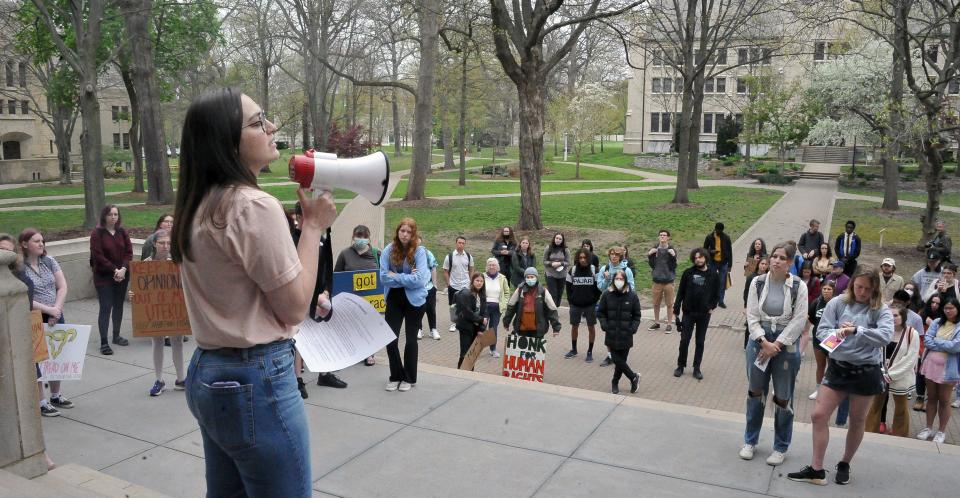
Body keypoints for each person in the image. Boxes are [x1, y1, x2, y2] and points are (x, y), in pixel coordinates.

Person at [174, 89, 337, 496]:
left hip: (209, 372)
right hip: (257, 378)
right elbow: (295, 308)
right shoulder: (253, 206)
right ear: (227, 142)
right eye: (257, 121)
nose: (272, 127)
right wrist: (314, 227)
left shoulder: (198, 204)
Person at [788, 266, 893, 486]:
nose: (862, 292)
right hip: (838, 367)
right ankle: (817, 469)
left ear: (874, 289)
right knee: (818, 415)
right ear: (852, 284)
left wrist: (857, 330)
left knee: (857, 420)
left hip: (866, 371)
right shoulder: (838, 303)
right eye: (858, 287)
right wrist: (838, 333)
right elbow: (822, 330)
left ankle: (845, 462)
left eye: (867, 288)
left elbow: (885, 337)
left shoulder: (880, 309)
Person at [740, 242, 808, 466]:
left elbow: (799, 320)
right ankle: (750, 440)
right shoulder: (757, 283)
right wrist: (762, 341)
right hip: (759, 340)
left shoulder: (799, 286)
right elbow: (751, 315)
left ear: (790, 263)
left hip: (784, 344)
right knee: (755, 391)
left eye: (782, 258)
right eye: (774, 256)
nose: (776, 261)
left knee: (782, 396)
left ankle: (780, 446)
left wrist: (776, 344)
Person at [0, 234, 58, 470]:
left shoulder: (20, 275)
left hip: (23, 338)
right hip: (8, 344)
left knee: (30, 388)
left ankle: (39, 454)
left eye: (7, 250)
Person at [16, 229, 74, 416]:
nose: (41, 244)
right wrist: (48, 310)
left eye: (42, 241)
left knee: (58, 355)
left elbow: (62, 286)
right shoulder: (19, 268)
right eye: (36, 241)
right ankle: (41, 401)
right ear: (24, 244)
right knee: (38, 359)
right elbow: (24, 297)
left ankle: (56, 395)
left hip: (56, 313)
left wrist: (56, 309)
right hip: (35, 316)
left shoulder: (49, 261)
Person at [291, 201, 346, 392]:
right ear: (298, 217)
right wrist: (313, 298)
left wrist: (326, 291)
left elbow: (325, 268)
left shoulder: (320, 239)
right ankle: (298, 379)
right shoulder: (293, 240)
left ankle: (325, 373)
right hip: (303, 296)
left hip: (320, 294)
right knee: (300, 339)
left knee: (324, 334)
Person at [133, 229, 186, 397]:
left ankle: (180, 379)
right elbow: (139, 288)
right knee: (157, 342)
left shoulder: (178, 264)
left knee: (177, 342)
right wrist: (133, 294)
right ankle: (159, 380)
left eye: (169, 243)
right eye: (162, 243)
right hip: (155, 310)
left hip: (173, 309)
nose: (165, 246)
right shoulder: (146, 264)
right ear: (154, 244)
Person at [381, 218, 431, 392]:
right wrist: (407, 278)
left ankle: (408, 378)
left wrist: (396, 276)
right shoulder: (388, 250)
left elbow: (420, 280)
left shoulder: (419, 251)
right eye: (402, 230)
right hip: (394, 299)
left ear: (413, 234)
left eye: (409, 232)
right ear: (397, 231)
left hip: (415, 301)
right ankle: (396, 375)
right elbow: (383, 277)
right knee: (390, 338)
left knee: (411, 340)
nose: (405, 234)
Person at [866, 305, 920, 437]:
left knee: (901, 408)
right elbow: (875, 351)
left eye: (896, 315)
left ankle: (900, 435)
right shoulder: (884, 331)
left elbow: (911, 358)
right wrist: (880, 370)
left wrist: (891, 374)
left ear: (903, 317)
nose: (892, 318)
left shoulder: (912, 333)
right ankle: (869, 433)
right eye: (890, 315)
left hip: (900, 377)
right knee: (875, 405)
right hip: (881, 375)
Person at [89, 204, 133, 355]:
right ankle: (104, 342)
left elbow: (129, 252)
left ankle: (116, 335)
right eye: (110, 214)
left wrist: (123, 269)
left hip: (122, 275)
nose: (113, 217)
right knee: (106, 307)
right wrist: (114, 270)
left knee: (118, 305)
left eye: (116, 214)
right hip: (104, 276)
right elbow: (98, 256)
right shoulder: (97, 233)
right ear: (104, 216)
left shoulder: (122, 232)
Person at [335, 225, 382, 366]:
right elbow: (337, 276)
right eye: (358, 236)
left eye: (364, 236)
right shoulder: (345, 254)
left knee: (369, 327)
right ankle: (353, 354)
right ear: (353, 237)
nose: (361, 239)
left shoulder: (376, 254)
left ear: (369, 238)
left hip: (371, 300)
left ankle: (369, 355)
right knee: (352, 328)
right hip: (351, 300)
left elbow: (383, 275)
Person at [916, 297, 960, 443]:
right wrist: (945, 344)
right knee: (932, 397)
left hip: (949, 368)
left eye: (951, 308)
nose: (948, 311)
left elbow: (955, 347)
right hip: (931, 365)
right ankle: (928, 427)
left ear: (957, 309)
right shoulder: (936, 322)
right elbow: (927, 340)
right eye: (946, 308)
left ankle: (941, 431)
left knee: (945, 400)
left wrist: (937, 341)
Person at [673, 247, 720, 379]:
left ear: (705, 258)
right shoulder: (688, 273)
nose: (698, 260)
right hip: (688, 312)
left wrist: (712, 306)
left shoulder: (713, 274)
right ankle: (681, 365)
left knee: (700, 341)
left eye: (700, 257)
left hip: (704, 314)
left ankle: (697, 368)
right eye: (696, 258)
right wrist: (676, 308)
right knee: (684, 340)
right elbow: (681, 291)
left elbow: (717, 292)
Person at [597, 269, 642, 394]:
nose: (619, 281)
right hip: (611, 334)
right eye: (616, 278)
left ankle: (616, 381)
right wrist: (604, 325)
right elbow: (600, 313)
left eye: (621, 279)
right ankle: (633, 377)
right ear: (613, 280)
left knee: (621, 362)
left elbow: (637, 316)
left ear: (625, 281)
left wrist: (633, 328)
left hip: (626, 335)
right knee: (616, 359)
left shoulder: (632, 296)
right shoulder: (607, 294)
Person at [503, 267, 562, 338]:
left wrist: (556, 328)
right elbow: (511, 307)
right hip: (522, 329)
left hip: (538, 329)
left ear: (536, 277)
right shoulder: (519, 290)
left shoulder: (543, 291)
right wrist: (506, 322)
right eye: (528, 277)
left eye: (532, 277)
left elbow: (552, 309)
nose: (530, 279)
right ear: (525, 278)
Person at [565, 248, 602, 361]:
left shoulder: (594, 270)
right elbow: (568, 287)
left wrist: (594, 300)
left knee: (591, 327)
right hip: (575, 305)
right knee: (574, 326)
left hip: (590, 305)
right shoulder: (573, 270)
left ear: (588, 258)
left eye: (584, 257)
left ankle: (589, 351)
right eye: (580, 257)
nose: (582, 260)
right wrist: (571, 301)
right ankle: (574, 349)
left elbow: (599, 288)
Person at [455, 273, 488, 369]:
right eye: (477, 280)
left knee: (473, 353)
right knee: (465, 352)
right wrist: (481, 320)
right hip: (466, 327)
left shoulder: (482, 295)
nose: (479, 283)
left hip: (476, 328)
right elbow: (467, 312)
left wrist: (481, 329)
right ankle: (461, 373)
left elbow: (484, 312)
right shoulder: (466, 293)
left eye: (481, 281)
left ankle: (470, 373)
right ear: (472, 281)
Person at [916, 294, 943, 412]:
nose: (934, 305)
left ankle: (930, 399)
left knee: (932, 374)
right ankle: (920, 397)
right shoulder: (922, 314)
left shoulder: (944, 318)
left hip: (936, 348)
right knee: (920, 372)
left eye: (937, 303)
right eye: (933, 302)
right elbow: (917, 333)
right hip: (921, 345)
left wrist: (933, 324)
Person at [648, 230, 678, 333]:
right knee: (656, 304)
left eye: (664, 235)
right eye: (660, 235)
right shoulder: (654, 249)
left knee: (669, 304)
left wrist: (673, 256)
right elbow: (652, 265)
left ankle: (669, 324)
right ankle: (657, 322)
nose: (662, 237)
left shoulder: (671, 249)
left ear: (668, 237)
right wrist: (650, 255)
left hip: (668, 281)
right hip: (657, 281)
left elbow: (674, 266)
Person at [443, 235, 474, 332]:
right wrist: (449, 284)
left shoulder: (468, 256)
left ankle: (465, 321)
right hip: (454, 284)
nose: (461, 245)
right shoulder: (449, 256)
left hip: (466, 284)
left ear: (465, 244)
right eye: (459, 243)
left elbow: (471, 269)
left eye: (463, 243)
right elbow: (445, 271)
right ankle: (454, 323)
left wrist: (471, 281)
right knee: (453, 305)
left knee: (466, 304)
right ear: (456, 243)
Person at [482, 258, 510, 357]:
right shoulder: (482, 276)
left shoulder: (502, 278)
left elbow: (507, 292)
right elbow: (476, 289)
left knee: (493, 329)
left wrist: (504, 303)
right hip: (484, 306)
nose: (491, 266)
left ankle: (492, 349)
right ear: (487, 266)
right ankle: (476, 349)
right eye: (489, 265)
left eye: (493, 265)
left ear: (497, 266)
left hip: (497, 308)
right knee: (481, 328)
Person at [415, 236, 440, 342]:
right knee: (418, 309)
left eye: (419, 241)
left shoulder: (427, 253)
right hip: (416, 287)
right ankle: (418, 329)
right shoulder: (410, 254)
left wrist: (434, 285)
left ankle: (433, 329)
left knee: (431, 309)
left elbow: (433, 267)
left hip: (429, 286)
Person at [703, 222, 733, 308]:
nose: (719, 232)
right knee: (711, 280)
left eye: (721, 230)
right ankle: (710, 299)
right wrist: (710, 251)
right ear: (715, 229)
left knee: (722, 282)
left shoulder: (726, 238)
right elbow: (704, 249)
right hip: (713, 262)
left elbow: (730, 251)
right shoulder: (709, 237)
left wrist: (730, 265)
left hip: (723, 263)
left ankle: (720, 301)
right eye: (718, 230)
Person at [543, 232, 570, 306]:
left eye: (560, 239)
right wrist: (551, 264)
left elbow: (568, 262)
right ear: (554, 239)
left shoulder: (566, 249)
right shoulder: (548, 248)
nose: (558, 240)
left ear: (562, 240)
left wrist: (560, 263)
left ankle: (556, 307)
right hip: (550, 273)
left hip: (562, 274)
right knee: (553, 293)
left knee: (559, 293)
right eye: (556, 238)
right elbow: (544, 261)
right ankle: (552, 311)